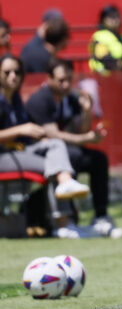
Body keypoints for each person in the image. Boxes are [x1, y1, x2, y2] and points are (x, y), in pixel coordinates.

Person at [25, 58, 122, 237]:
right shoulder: (40, 99)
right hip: (38, 152)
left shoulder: (70, 98)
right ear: (49, 78)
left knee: (98, 159)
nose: (66, 84)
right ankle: (65, 221)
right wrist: (84, 138)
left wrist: (87, 111)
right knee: (71, 155)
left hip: (63, 150)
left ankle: (100, 216)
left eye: (69, 79)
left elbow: (81, 129)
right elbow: (52, 134)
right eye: (61, 80)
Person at [0, 55, 90, 205]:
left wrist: (39, 138)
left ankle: (66, 185)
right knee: (55, 166)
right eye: (7, 72)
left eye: (17, 72)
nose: (13, 76)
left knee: (56, 144)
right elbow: (22, 130)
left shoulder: (16, 99)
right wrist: (20, 130)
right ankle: (61, 217)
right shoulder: (38, 98)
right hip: (4, 155)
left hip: (21, 150)